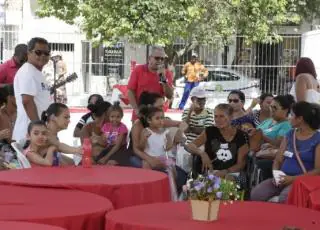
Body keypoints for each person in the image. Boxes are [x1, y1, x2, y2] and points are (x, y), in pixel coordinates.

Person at [251, 102, 320, 203]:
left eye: (291, 115)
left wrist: (292, 179)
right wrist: (276, 174)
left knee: (285, 199)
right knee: (256, 194)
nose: (289, 118)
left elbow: (318, 170)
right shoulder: (290, 134)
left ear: (300, 119)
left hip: (302, 182)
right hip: (282, 178)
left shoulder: (317, 139)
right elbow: (278, 160)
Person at [186, 103, 249, 187]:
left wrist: (225, 171)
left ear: (231, 117)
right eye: (215, 116)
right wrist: (202, 153)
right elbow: (189, 145)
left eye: (222, 116)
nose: (218, 119)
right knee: (210, 182)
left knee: (228, 180)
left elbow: (241, 164)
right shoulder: (210, 131)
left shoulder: (241, 136)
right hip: (210, 172)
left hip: (232, 173)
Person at [13, 37, 52, 142]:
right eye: (38, 52)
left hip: (35, 133)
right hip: (30, 134)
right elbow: (27, 101)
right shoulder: (28, 72)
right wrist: (39, 129)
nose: (43, 56)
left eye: (46, 53)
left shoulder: (36, 72)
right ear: (29, 53)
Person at [127, 45, 174, 121]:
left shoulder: (166, 73)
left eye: (162, 59)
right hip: (140, 114)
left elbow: (169, 96)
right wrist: (136, 109)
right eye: (157, 58)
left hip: (157, 117)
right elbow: (130, 91)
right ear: (149, 58)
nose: (160, 61)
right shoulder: (138, 70)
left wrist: (163, 78)